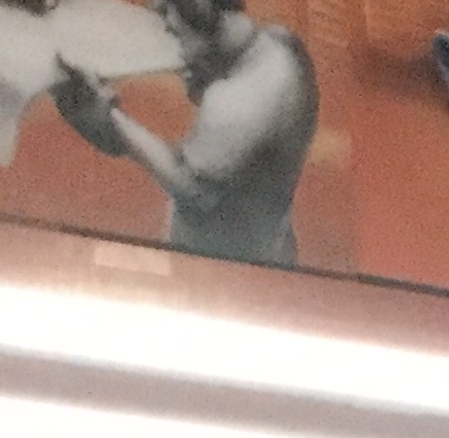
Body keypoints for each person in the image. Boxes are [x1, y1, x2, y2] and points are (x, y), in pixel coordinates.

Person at [51, 0, 317, 268]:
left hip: (224, 280)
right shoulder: (276, 45)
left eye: (167, 9)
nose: (161, 21)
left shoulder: (247, 93)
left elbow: (194, 188)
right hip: (256, 261)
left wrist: (109, 118)